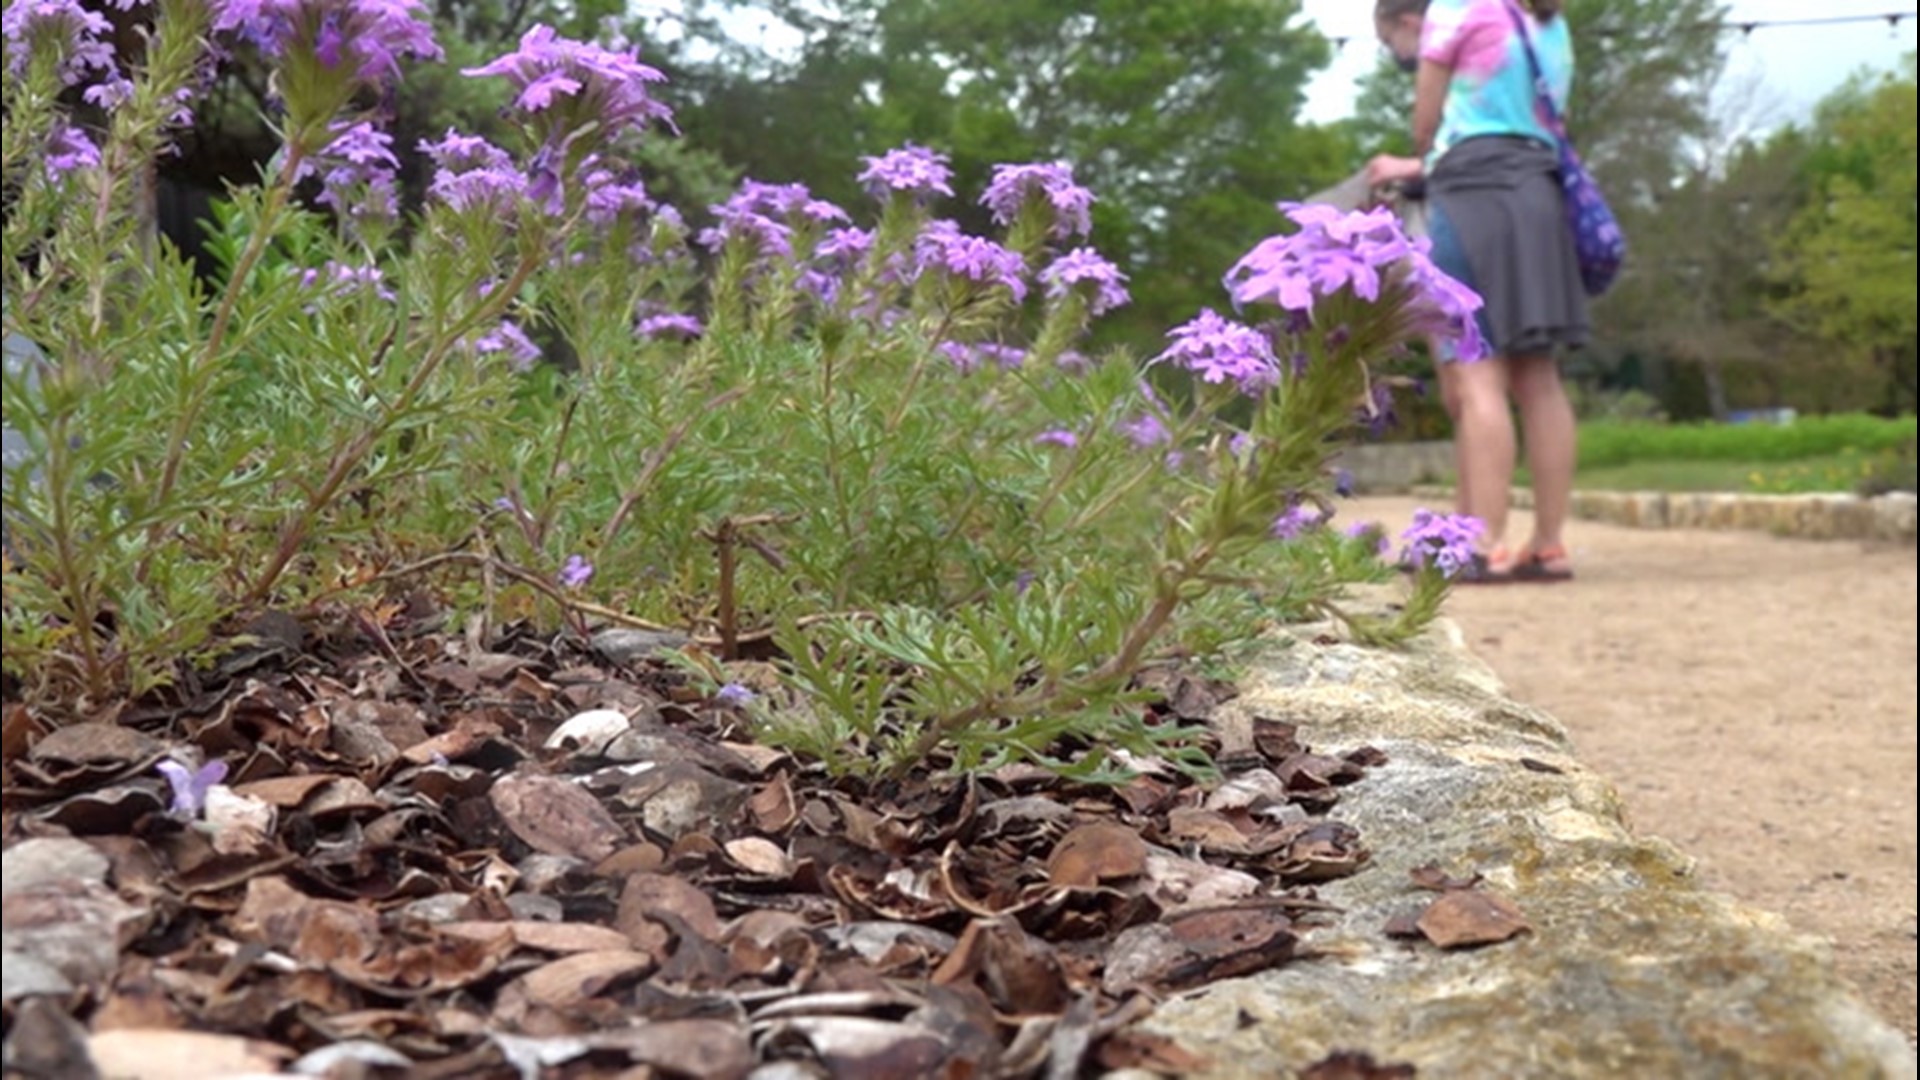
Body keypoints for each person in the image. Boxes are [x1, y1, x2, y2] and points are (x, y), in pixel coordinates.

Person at [1366, 0, 1588, 582]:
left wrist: (1405, 162)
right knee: (1538, 375)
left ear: (1405, 25)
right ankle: (1546, 542)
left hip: (1472, 194)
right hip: (1540, 190)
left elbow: (1426, 125)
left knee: (1476, 370)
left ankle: (1480, 541)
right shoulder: (1549, 18)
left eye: (1395, 50)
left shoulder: (1456, 7)